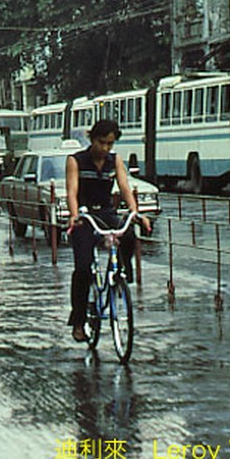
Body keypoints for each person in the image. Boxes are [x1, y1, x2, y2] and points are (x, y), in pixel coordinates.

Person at [64, 119, 150, 343]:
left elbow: (124, 186)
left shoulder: (115, 161)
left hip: (105, 213)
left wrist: (135, 212)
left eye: (110, 144)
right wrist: (74, 215)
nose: (105, 148)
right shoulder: (76, 161)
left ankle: (122, 272)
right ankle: (78, 321)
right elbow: (71, 191)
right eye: (102, 143)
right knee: (83, 269)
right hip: (84, 217)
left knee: (128, 233)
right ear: (92, 139)